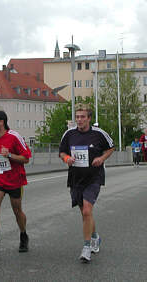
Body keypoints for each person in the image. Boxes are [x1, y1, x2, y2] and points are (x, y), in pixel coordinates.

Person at [59, 104, 114, 262]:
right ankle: (95, 236)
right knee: (85, 212)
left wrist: (102, 158)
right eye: (77, 117)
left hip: (94, 177)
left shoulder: (98, 134)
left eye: (83, 117)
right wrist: (66, 159)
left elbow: (111, 148)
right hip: (76, 178)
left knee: (87, 211)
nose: (79, 120)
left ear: (89, 118)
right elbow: (62, 152)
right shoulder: (69, 134)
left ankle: (86, 247)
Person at [0, 111, 31, 258]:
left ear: (1, 122)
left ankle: (23, 234)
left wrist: (9, 155)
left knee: (17, 210)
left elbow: (26, 158)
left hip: (14, 179)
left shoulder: (15, 137)